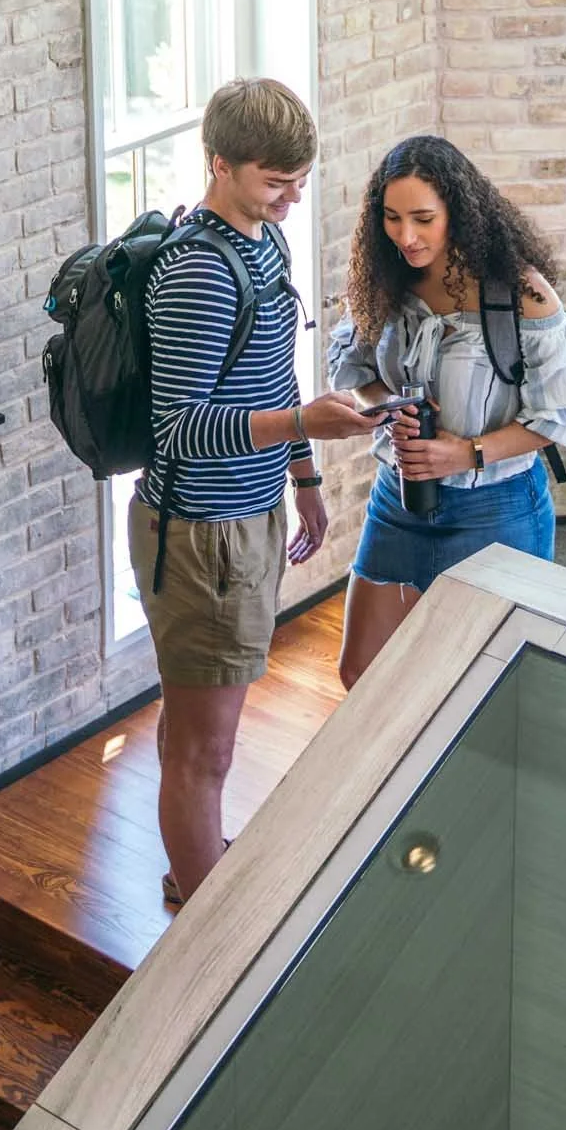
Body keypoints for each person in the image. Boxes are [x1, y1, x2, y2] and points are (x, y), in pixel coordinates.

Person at [132, 79, 381, 909]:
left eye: (299, 178)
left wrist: (303, 475)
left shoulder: (260, 245)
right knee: (206, 748)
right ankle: (205, 915)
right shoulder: (200, 271)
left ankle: (189, 861)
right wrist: (300, 423)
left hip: (246, 514)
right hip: (202, 535)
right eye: (275, 181)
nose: (292, 196)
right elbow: (182, 429)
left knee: (196, 725)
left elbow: (270, 373)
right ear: (220, 165)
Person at [327, 133, 566, 691]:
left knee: (489, 688)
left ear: (458, 212)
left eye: (423, 219)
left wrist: (467, 452)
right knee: (360, 671)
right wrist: (389, 406)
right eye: (391, 218)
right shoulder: (382, 278)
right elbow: (356, 375)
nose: (406, 237)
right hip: (398, 499)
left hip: (497, 509)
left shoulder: (520, 294)